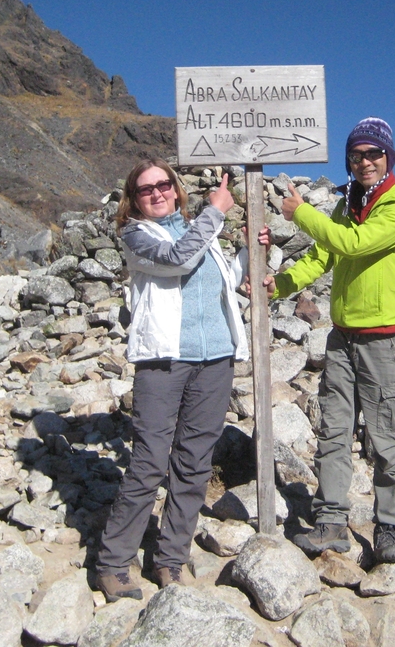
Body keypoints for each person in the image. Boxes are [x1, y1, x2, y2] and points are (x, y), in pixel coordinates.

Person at [94, 157, 267, 601]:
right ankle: (114, 564)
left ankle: (170, 559)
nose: (156, 193)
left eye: (163, 185)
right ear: (133, 200)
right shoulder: (136, 235)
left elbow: (223, 282)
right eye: (145, 189)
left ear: (175, 189)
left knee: (193, 463)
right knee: (150, 462)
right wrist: (217, 212)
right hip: (164, 362)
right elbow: (175, 261)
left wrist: (250, 250)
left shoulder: (198, 232)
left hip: (215, 360)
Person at [264, 117, 395, 564]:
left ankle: (391, 527)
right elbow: (321, 257)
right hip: (343, 337)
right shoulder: (345, 204)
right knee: (334, 430)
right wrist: (280, 284)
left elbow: (353, 245)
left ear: (387, 157)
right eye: (357, 155)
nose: (365, 161)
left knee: (386, 437)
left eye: (374, 153)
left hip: (386, 342)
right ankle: (331, 522)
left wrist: (301, 214)